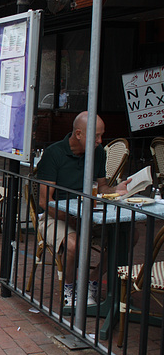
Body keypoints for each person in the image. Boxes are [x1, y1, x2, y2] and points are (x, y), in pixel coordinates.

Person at [37, 111, 129, 307]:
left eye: (101, 135)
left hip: (89, 214)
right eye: (96, 136)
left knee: (129, 235)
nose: (100, 140)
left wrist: (116, 189)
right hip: (57, 216)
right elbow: (45, 202)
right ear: (78, 134)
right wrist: (69, 218)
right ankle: (69, 288)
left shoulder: (98, 152)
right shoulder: (54, 153)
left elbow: (102, 188)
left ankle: (91, 280)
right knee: (74, 244)